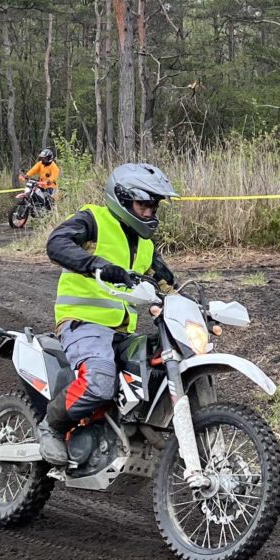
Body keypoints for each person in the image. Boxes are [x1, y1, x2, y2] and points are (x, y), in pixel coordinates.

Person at [38, 161, 179, 468]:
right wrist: (96, 265)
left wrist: (184, 296)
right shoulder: (94, 220)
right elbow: (57, 243)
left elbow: (166, 281)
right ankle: (52, 425)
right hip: (82, 324)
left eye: (154, 207)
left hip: (122, 332)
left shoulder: (145, 245)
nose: (150, 213)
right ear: (123, 198)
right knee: (100, 381)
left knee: (157, 373)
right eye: (144, 205)